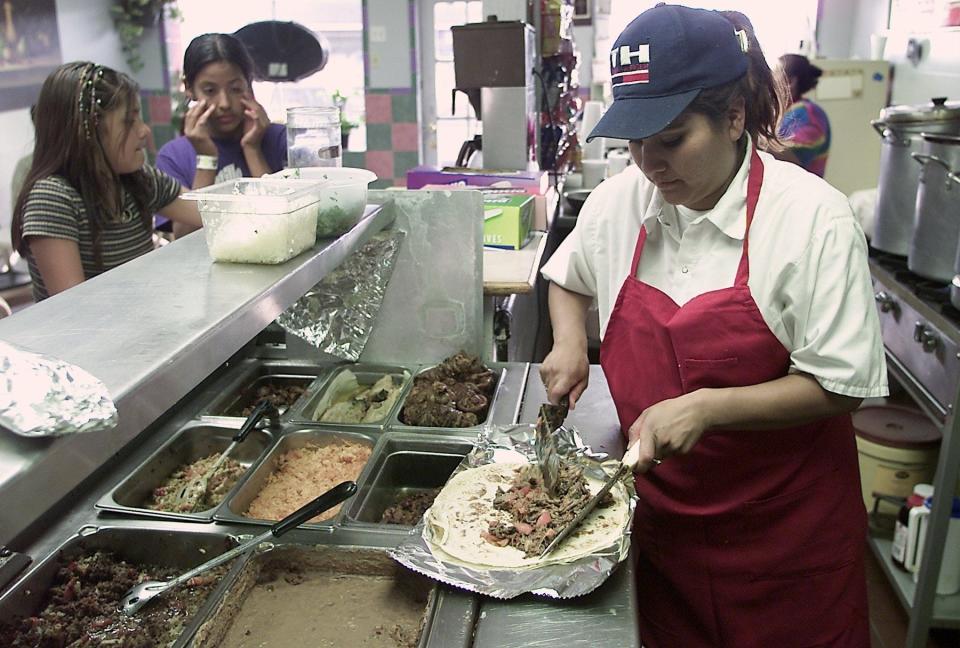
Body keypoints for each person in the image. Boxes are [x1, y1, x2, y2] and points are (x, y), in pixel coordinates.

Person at [539, 5, 886, 647]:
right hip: (664, 531)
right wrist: (567, 341)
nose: (649, 162)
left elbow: (843, 384)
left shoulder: (812, 220)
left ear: (732, 117)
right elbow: (569, 276)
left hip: (786, 549)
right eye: (635, 141)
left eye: (670, 140)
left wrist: (708, 407)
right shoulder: (620, 201)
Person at [11, 62, 202, 302]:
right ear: (88, 130)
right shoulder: (52, 198)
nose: (144, 131)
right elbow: (74, 308)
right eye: (129, 121)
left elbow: (209, 214)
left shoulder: (138, 180)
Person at [156, 33, 287, 236]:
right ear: (189, 89)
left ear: (249, 84)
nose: (225, 103)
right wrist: (206, 159)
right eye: (210, 91)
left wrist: (253, 150)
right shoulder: (173, 156)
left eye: (235, 89)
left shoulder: (278, 140)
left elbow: (285, 222)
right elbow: (184, 237)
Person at [775, 53, 831, 177]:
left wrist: (754, 137)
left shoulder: (810, 115)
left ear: (790, 82)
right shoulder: (786, 112)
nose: (769, 79)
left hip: (802, 194)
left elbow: (793, 160)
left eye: (774, 73)